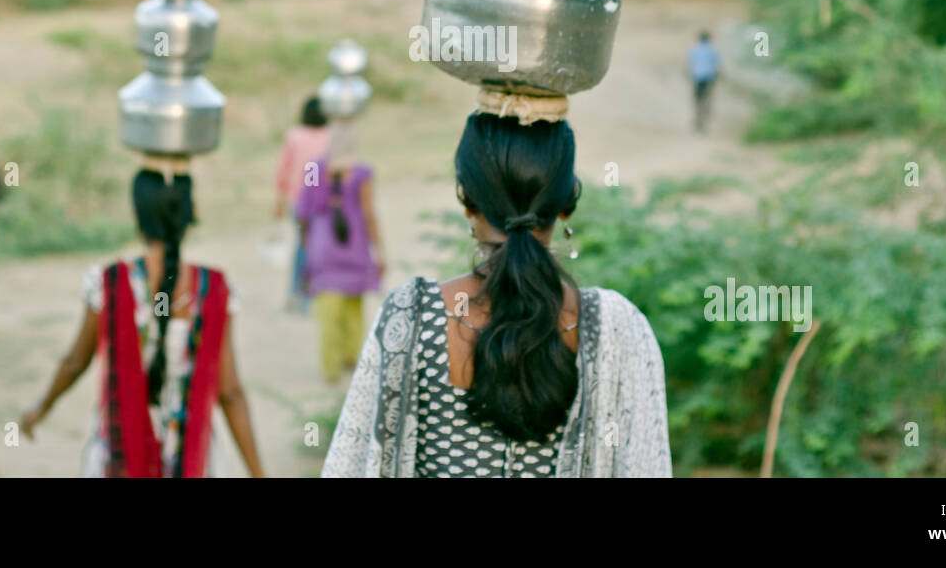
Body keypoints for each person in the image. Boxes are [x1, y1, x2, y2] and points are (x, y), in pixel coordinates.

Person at [322, 111, 671, 478]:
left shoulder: (412, 317)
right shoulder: (615, 328)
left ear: (466, 199)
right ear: (567, 202)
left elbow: (353, 464)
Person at [21, 168, 265, 478]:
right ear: (190, 217)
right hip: (193, 461)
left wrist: (42, 406)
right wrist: (259, 474)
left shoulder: (109, 284)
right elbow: (230, 393)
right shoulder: (213, 289)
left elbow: (74, 362)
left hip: (118, 458)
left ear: (136, 216)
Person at [296, 120, 385, 383]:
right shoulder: (362, 173)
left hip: (324, 248)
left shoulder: (313, 168)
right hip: (355, 247)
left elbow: (304, 209)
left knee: (328, 313)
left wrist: (307, 242)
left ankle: (330, 369)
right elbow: (369, 214)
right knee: (354, 310)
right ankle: (352, 360)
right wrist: (380, 251)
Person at [274, 96, 330, 312]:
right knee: (318, 246)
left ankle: (297, 293)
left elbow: (283, 169)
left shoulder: (294, 136)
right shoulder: (330, 137)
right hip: (323, 202)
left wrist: (279, 199)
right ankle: (313, 292)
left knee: (302, 245)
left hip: (298, 199)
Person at [686, 30, 720, 132]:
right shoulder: (713, 50)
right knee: (707, 97)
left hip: (697, 76)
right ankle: (705, 115)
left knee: (697, 98)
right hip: (709, 77)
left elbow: (690, 64)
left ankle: (698, 117)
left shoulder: (694, 49)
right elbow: (716, 65)